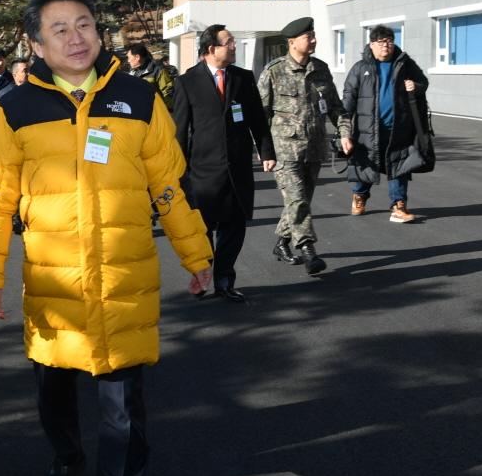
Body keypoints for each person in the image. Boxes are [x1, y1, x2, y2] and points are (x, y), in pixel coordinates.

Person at [0, 0, 213, 476]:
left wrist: (196, 253)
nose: (76, 37)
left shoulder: (138, 98)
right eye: (60, 29)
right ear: (35, 44)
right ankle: (65, 454)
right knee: (54, 389)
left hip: (124, 279)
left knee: (125, 410)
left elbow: (169, 185)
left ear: (100, 34)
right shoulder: (15, 109)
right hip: (55, 287)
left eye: (85, 25)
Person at [171, 24, 276, 302]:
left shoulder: (243, 78)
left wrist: (267, 152)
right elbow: (179, 132)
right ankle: (202, 274)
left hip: (238, 169)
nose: (234, 46)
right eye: (229, 42)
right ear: (211, 49)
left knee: (234, 228)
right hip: (203, 173)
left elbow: (257, 119)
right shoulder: (187, 82)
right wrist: (176, 172)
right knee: (202, 230)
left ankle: (225, 281)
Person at [257, 17, 342, 275]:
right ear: (292, 42)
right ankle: (308, 250)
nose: (314, 40)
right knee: (297, 200)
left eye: (314, 35)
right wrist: (265, 151)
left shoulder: (321, 70)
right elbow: (259, 115)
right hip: (285, 150)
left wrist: (346, 133)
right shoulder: (274, 71)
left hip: (314, 148)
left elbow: (337, 108)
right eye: (309, 36)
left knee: (299, 202)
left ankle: (281, 243)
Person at [339, 23, 430, 223]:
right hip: (368, 129)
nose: (385, 45)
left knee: (400, 165)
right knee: (366, 163)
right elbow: (348, 99)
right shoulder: (360, 68)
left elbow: (424, 83)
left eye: (389, 41)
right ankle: (360, 195)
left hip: (399, 127)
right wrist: (343, 131)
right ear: (371, 44)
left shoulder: (405, 64)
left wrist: (416, 86)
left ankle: (398, 206)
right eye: (381, 42)